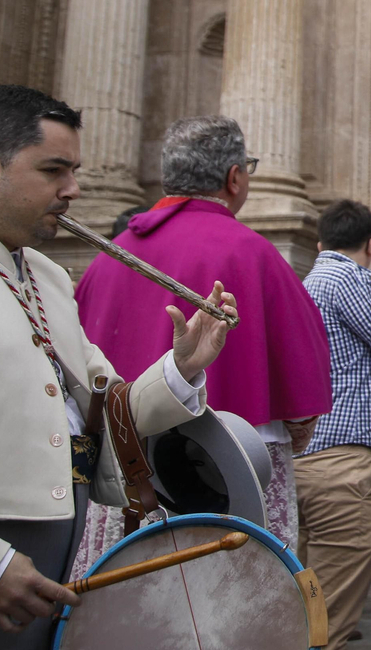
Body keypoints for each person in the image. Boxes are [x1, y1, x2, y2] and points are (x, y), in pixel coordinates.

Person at [0, 85, 236, 648]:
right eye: (54, 170)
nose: (72, 189)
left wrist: (181, 366)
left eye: (72, 170)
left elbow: (105, 405)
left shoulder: (47, 278)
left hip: (45, 570)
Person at [72, 116, 332, 566]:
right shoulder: (252, 253)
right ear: (235, 177)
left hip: (125, 472)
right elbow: (301, 388)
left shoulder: (110, 258)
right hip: (230, 467)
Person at [296, 199, 371, 650]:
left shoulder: (312, 279)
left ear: (319, 240)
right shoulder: (344, 276)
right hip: (342, 466)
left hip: (308, 458)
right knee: (328, 620)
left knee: (306, 600)